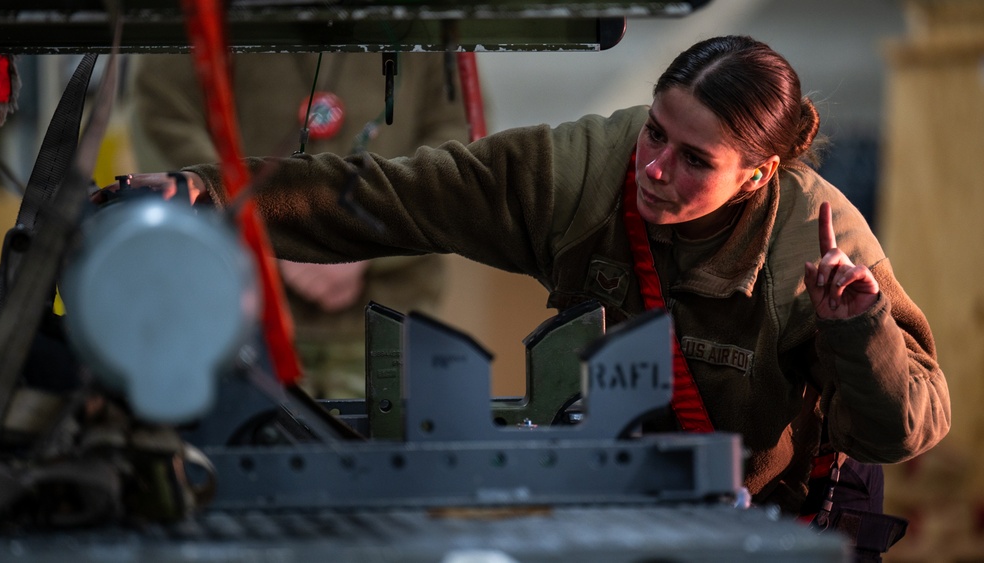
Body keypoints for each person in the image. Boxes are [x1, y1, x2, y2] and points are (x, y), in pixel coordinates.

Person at [107, 36, 950, 558]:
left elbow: (906, 425)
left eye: (696, 160)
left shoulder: (817, 241)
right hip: (628, 498)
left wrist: (859, 328)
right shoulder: (587, 172)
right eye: (656, 131)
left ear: (759, 173)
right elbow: (392, 195)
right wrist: (213, 193)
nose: (656, 170)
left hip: (773, 514)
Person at [126, 52, 472, 399]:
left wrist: (372, 239)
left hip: (394, 319)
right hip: (236, 317)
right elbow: (163, 112)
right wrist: (264, 234)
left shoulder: (423, 20)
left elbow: (456, 135)